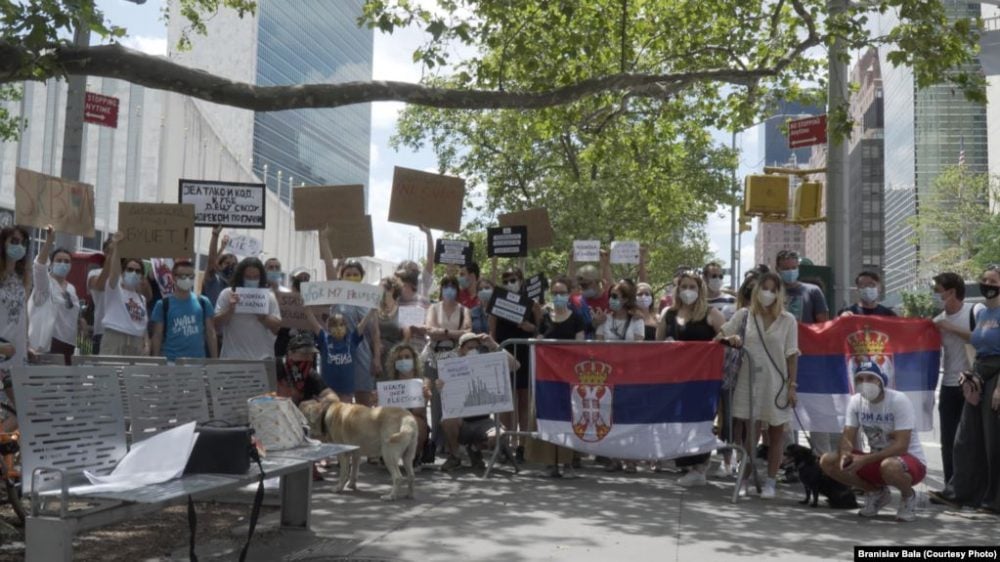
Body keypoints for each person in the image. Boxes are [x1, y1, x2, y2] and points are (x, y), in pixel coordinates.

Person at [718, 271, 799, 499]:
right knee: (749, 437)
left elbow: (792, 355)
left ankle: (771, 481)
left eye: (773, 290)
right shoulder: (744, 315)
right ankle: (744, 478)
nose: (768, 294)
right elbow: (719, 337)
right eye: (765, 288)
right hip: (748, 381)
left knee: (776, 435)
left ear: (779, 293)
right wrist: (730, 340)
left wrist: (792, 386)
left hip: (777, 384)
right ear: (756, 291)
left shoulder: (788, 320)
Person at [929, 265, 1000, 514]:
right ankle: (959, 493)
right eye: (984, 280)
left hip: (996, 376)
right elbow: (976, 342)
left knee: (993, 442)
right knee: (965, 439)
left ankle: (993, 501)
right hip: (978, 375)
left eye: (993, 281)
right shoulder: (983, 315)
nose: (987, 284)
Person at [819, 361, 928, 522]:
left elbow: (901, 446)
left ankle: (908, 496)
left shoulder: (898, 400)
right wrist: (845, 454)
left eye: (870, 378)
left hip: (908, 462)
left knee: (889, 466)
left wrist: (865, 459)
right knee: (828, 461)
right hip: (876, 460)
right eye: (860, 379)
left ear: (880, 380)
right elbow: (847, 436)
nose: (865, 383)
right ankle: (876, 492)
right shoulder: (856, 402)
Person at [656, 271, 725, 485]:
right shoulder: (668, 313)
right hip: (676, 379)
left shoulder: (711, 313)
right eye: (684, 286)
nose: (688, 291)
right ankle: (686, 465)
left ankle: (699, 468)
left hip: (703, 380)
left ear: (700, 289)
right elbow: (657, 345)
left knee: (700, 422)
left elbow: (726, 336)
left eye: (692, 287)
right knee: (679, 422)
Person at [929, 272, 982, 486]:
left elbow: (982, 339)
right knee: (948, 439)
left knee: (972, 439)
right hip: (949, 385)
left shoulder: (975, 311)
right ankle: (951, 485)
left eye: (937, 291)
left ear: (951, 292)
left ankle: (973, 486)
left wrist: (951, 328)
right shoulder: (937, 321)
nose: (935, 295)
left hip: (973, 384)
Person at [438, 332, 518, 471]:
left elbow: (515, 365)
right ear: (460, 349)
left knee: (499, 436)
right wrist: (440, 386)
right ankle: (455, 456)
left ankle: (474, 448)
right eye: (469, 347)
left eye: (476, 347)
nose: (473, 350)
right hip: (461, 421)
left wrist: (494, 345)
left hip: (484, 422)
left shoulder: (486, 364)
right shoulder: (450, 368)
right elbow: (447, 398)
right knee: (447, 421)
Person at [489, 267, 541, 461]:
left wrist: (531, 327)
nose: (510, 282)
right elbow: (492, 331)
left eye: (513, 279)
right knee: (506, 402)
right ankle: (506, 443)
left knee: (524, 401)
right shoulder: (497, 303)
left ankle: (523, 445)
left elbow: (541, 331)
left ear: (521, 280)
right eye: (506, 280)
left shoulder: (533, 305)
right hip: (505, 355)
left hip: (526, 357)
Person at [28, 225, 81, 363]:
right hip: (49, 343)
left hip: (68, 344)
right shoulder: (45, 284)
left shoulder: (71, 289)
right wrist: (50, 240)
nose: (63, 264)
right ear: (51, 263)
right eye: (59, 260)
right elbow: (39, 266)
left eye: (67, 261)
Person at [213, 257, 282, 360]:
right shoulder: (227, 294)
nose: (252, 280)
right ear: (241, 276)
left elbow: (277, 328)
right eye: (248, 277)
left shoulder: (269, 297)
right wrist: (230, 310)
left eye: (256, 277)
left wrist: (263, 317)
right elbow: (215, 325)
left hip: (261, 359)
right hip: (232, 359)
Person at [150, 260, 218, 362]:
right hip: (171, 362)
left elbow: (210, 332)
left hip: (198, 363)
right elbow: (157, 335)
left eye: (190, 276)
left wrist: (215, 360)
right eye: (182, 276)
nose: (187, 279)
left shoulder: (203, 302)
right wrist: (155, 361)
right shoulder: (163, 304)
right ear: (173, 277)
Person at [94, 232, 149, 356]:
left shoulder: (142, 299)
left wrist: (146, 342)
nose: (134, 273)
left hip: (136, 341)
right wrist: (116, 248)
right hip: (115, 337)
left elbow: (143, 323)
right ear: (123, 273)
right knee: (111, 374)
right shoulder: (114, 289)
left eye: (137, 271)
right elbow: (113, 273)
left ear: (141, 276)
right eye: (130, 269)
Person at [305, 307, 373, 403]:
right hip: (328, 392)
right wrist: (306, 309)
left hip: (346, 393)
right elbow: (313, 323)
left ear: (346, 327)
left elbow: (363, 324)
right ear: (329, 327)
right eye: (334, 325)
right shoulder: (324, 339)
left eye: (341, 325)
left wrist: (372, 310)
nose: (338, 328)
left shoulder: (352, 339)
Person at [383, 343, 432, 466]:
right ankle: (387, 454)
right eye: (399, 358)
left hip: (416, 421)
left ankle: (415, 455)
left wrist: (424, 398)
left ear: (414, 360)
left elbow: (417, 412)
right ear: (394, 363)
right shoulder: (389, 386)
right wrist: (377, 403)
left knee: (413, 420)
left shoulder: (423, 383)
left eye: (407, 357)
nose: (403, 360)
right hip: (393, 422)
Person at [0, 226, 30, 412]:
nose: (19, 247)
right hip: (1, 351)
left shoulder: (22, 278)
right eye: (14, 241)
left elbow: (23, 315)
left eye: (23, 243)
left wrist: (27, 343)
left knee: (23, 412)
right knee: (20, 411)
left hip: (18, 354)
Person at [775, 250, 828, 323]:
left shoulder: (813, 291)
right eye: (786, 269)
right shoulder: (773, 292)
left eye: (794, 268)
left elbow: (823, 324)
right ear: (778, 269)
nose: (790, 271)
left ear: (798, 268)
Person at [86, 237, 115, 355]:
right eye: (111, 250)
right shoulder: (94, 273)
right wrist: (110, 259)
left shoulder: (127, 274)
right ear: (105, 252)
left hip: (125, 332)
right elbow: (100, 286)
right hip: (102, 331)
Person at [376, 276, 409, 375]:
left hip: (394, 357)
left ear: (392, 289)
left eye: (381, 288)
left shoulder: (402, 310)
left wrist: (398, 352)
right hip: (375, 355)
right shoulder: (374, 309)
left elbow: (407, 335)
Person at [203, 227, 237, 310]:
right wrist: (215, 235)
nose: (230, 266)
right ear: (220, 265)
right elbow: (211, 262)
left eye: (233, 264)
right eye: (227, 263)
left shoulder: (236, 285)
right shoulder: (213, 280)